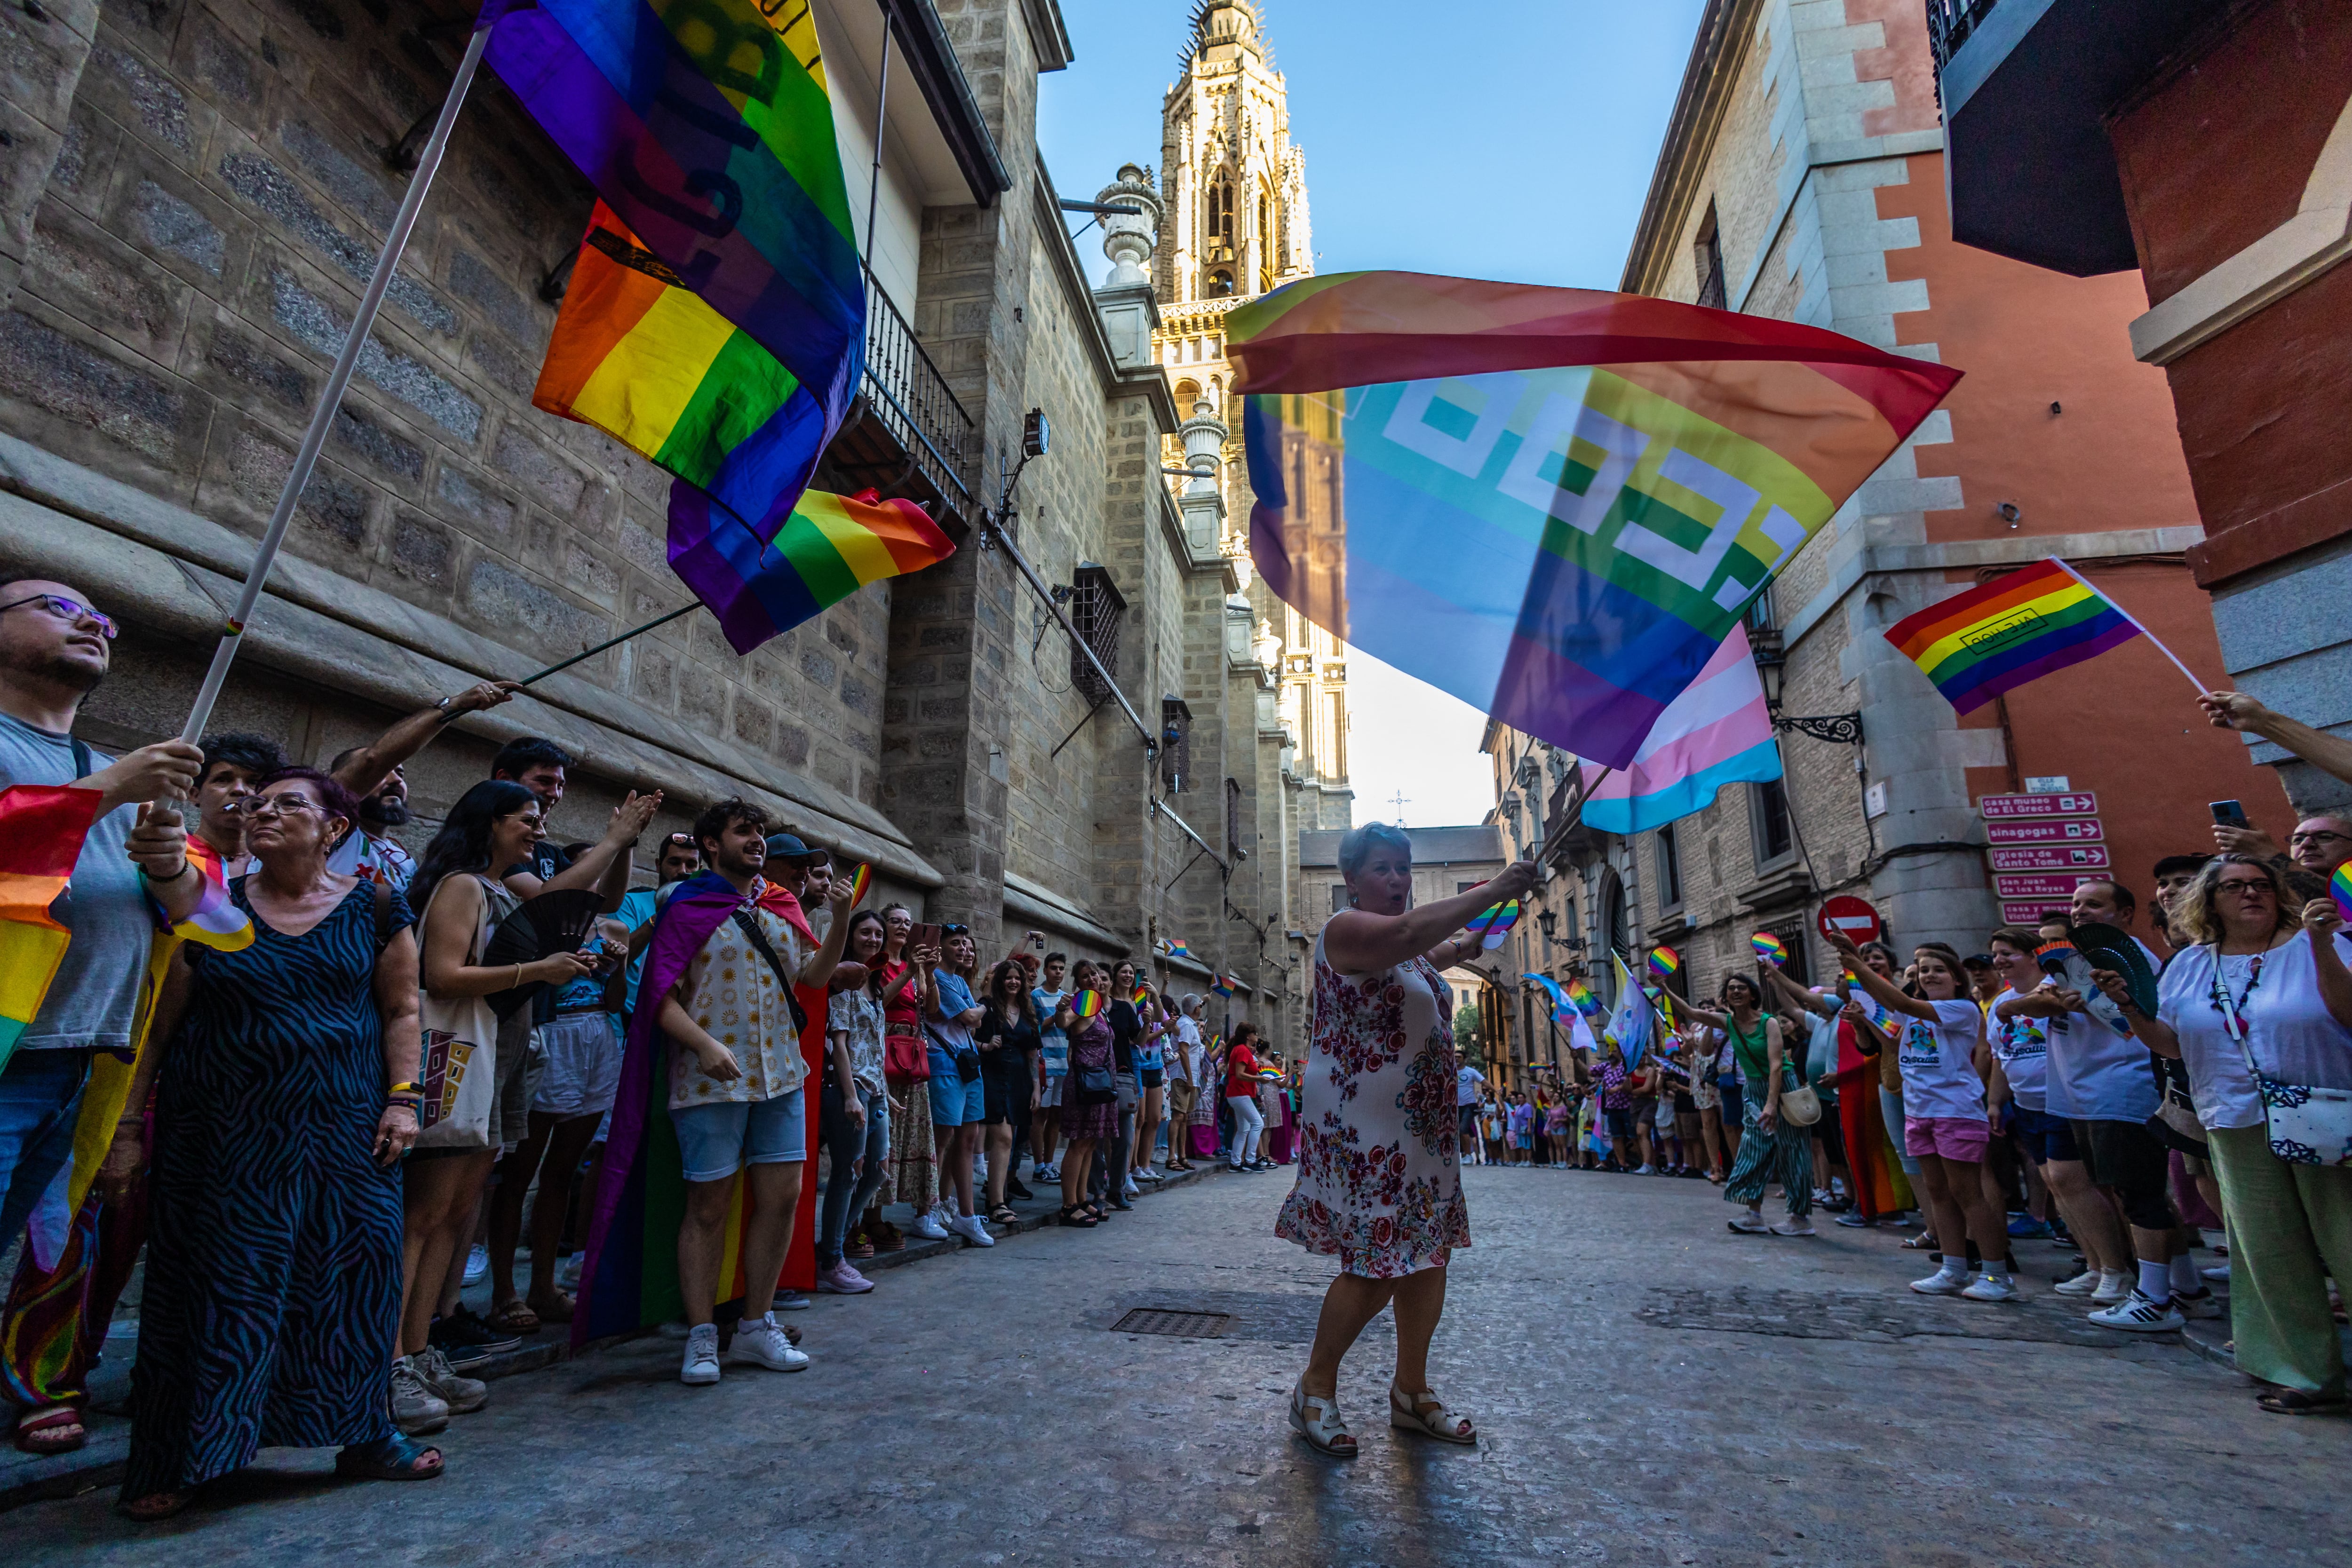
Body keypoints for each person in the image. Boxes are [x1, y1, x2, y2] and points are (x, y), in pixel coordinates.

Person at [119, 769, 436, 1517]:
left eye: (288, 803)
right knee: (219, 1288)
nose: (263, 812)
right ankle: (187, 1454)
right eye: (257, 804)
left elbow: (401, 1009)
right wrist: (129, 1126)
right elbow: (162, 1024)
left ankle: (365, 1434)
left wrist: (402, 1102)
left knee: (354, 1281)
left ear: (333, 828)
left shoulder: (377, 903)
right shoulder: (213, 900)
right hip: (225, 1138)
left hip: (346, 1132)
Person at [1277, 821, 1539, 1458]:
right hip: (1366, 1131)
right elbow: (1407, 934)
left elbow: (1446, 948)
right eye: (1383, 869)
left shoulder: (1414, 953)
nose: (1397, 880)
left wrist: (1491, 922)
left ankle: (1411, 1393)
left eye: (1404, 868)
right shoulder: (1346, 930)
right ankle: (1313, 1387)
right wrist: (1494, 885)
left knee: (1428, 1255)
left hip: (1418, 1131)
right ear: (1351, 880)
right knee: (1375, 1263)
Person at [2097, 853, 2352, 1411]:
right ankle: (2305, 1374)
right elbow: (2170, 1043)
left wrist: (2324, 948)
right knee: (2268, 1250)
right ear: (2208, 902)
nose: (2250, 894)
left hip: (2322, 1110)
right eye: (2234, 887)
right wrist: (2128, 1007)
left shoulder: (2315, 942)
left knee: (2346, 1240)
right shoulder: (2189, 965)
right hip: (2233, 1118)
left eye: (2261, 884)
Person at [398, 780, 593, 1421]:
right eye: (527, 820)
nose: (538, 831)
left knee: (455, 1214)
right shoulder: (460, 885)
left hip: (483, 1053)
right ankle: (390, 1361)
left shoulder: (499, 891)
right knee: (425, 1216)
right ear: (491, 822)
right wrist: (538, 972)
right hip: (449, 1053)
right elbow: (444, 975)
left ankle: (422, 1348)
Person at [657, 800, 852, 1384]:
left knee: (783, 1198)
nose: (757, 840)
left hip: (781, 1077)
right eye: (745, 831)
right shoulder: (684, 903)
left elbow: (813, 978)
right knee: (708, 1207)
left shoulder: (781, 903)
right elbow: (658, 998)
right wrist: (703, 1045)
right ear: (711, 843)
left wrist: (840, 920)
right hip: (709, 1079)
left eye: (761, 832)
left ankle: (754, 1325)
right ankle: (699, 1336)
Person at [1834, 933, 2016, 1300]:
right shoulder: (1912, 1013)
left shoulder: (1961, 1009)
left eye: (1939, 970)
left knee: (1968, 1192)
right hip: (1920, 1111)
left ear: (1957, 979)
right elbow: (1892, 1039)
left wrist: (1856, 963)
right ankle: (1952, 1269)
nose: (1930, 976)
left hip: (1956, 1112)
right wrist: (1862, 1019)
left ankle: (1997, 1275)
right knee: (1937, 1193)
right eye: (1924, 971)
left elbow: (1897, 999)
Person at [483, 914, 628, 1333]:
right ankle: (504, 1293)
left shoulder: (611, 932)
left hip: (596, 1041)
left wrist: (617, 966)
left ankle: (543, 1289)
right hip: (549, 1037)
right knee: (518, 1173)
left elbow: (616, 1002)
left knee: (562, 1171)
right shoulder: (536, 928)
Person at [325, 678, 522, 892]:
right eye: (383, 774)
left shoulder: (403, 858)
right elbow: (374, 760)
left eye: (400, 773)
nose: (396, 781)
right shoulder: (328, 834)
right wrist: (453, 706)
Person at [1680, 972, 1815, 1237]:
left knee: (1793, 1150)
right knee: (1753, 1149)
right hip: (1753, 1088)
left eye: (1742, 988)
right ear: (1726, 996)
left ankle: (1800, 1218)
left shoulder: (1770, 1023)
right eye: (1731, 989)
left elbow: (1777, 1065)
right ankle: (1754, 1215)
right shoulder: (1726, 1022)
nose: (1736, 992)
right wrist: (1662, 987)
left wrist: (1771, 1105)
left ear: (1753, 994)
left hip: (1782, 1088)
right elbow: (1689, 1012)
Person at [817, 909, 906, 1295]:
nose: (873, 939)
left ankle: (829, 1245)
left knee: (878, 1171)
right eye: (865, 932)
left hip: (874, 1088)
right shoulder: (843, 979)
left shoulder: (873, 984)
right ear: (851, 936)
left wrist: (883, 1089)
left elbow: (872, 1045)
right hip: (849, 1088)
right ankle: (833, 1259)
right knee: (846, 1172)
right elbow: (838, 1041)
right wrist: (851, 1094)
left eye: (877, 934)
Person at [921, 925, 993, 1247]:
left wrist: (975, 1012)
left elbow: (974, 1021)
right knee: (941, 1139)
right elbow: (969, 1018)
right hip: (945, 1065)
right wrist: (979, 1010)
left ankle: (966, 1214)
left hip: (968, 1066)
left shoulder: (961, 981)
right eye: (956, 943)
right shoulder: (936, 977)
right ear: (941, 947)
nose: (964, 948)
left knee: (967, 1139)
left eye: (966, 943)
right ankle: (926, 1210)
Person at [877, 905, 934, 1244]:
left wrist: (925, 970)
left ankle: (881, 1215)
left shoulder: (912, 964)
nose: (902, 926)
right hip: (885, 1053)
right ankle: (866, 1218)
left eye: (907, 922)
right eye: (895, 920)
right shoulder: (879, 962)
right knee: (883, 1137)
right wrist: (908, 972)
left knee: (902, 1138)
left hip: (910, 1058)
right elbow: (879, 1000)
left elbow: (928, 1004)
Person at [975, 957, 1041, 1226]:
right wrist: (986, 1044)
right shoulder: (987, 1007)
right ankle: (995, 1203)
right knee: (1003, 1138)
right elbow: (968, 1037)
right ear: (1000, 981)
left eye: (1018, 978)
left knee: (1010, 1139)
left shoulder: (1027, 1011)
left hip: (1019, 1081)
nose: (1013, 982)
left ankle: (998, 1194)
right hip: (992, 1076)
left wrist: (1036, 1087)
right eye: (1008, 977)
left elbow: (1033, 1053)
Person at [1056, 962, 1114, 1226]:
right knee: (1079, 1143)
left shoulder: (1098, 1007)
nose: (1092, 978)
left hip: (1099, 1086)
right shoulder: (1080, 1005)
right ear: (1078, 982)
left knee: (1090, 1143)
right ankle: (1068, 1206)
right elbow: (1064, 1022)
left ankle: (1082, 1200)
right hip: (1084, 1084)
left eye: (1094, 974)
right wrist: (1060, 1010)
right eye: (1085, 976)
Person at [1030, 952, 1073, 1181]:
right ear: (1045, 971)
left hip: (1064, 1064)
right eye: (1054, 968)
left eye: (1061, 968)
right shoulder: (1035, 996)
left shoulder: (1068, 997)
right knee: (1040, 1116)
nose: (1058, 972)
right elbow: (1035, 1028)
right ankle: (1038, 1167)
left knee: (1056, 1116)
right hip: (1045, 1063)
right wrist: (1057, 1013)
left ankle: (1049, 1163)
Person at [1166, 993, 1206, 1172]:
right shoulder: (1187, 1025)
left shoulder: (1189, 1024)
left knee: (1185, 1117)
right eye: (1201, 1006)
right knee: (1178, 1116)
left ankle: (1182, 1156)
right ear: (1197, 1009)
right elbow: (1183, 1051)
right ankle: (1171, 1156)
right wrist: (1189, 1078)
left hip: (1190, 1076)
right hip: (1182, 1076)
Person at [1223, 1022, 1271, 1172]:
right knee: (1258, 1124)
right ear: (1248, 1036)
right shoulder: (1242, 1050)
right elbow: (1239, 1074)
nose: (1257, 1036)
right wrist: (1259, 1079)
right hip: (1239, 1093)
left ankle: (1236, 1162)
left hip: (1239, 1093)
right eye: (1255, 1033)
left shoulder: (1241, 1050)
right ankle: (1250, 1160)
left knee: (1244, 1128)